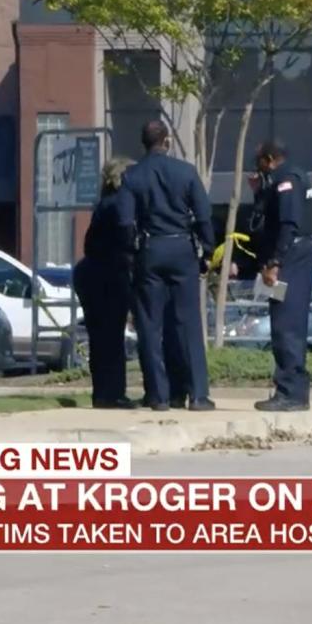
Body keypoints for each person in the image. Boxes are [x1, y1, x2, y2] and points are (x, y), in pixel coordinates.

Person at [118, 120, 216, 411]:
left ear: (143, 143)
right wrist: (207, 250)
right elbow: (203, 216)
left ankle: (158, 395)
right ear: (167, 141)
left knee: (150, 325)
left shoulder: (132, 176)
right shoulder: (185, 172)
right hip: (182, 247)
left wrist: (132, 252)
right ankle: (197, 394)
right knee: (188, 323)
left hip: (151, 248)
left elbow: (124, 222)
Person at [251, 141, 312, 412]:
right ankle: (290, 390)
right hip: (294, 254)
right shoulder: (293, 176)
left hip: (291, 257)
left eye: (259, 163)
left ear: (269, 159)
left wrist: (275, 262)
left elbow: (289, 224)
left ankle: (291, 393)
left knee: (287, 326)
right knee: (284, 323)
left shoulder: (286, 180)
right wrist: (258, 192)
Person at [72, 158, 138, 409]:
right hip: (108, 274)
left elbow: (90, 244)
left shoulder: (104, 202)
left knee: (100, 337)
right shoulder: (121, 203)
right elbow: (124, 237)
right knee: (112, 336)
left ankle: (102, 393)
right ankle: (114, 394)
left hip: (89, 273)